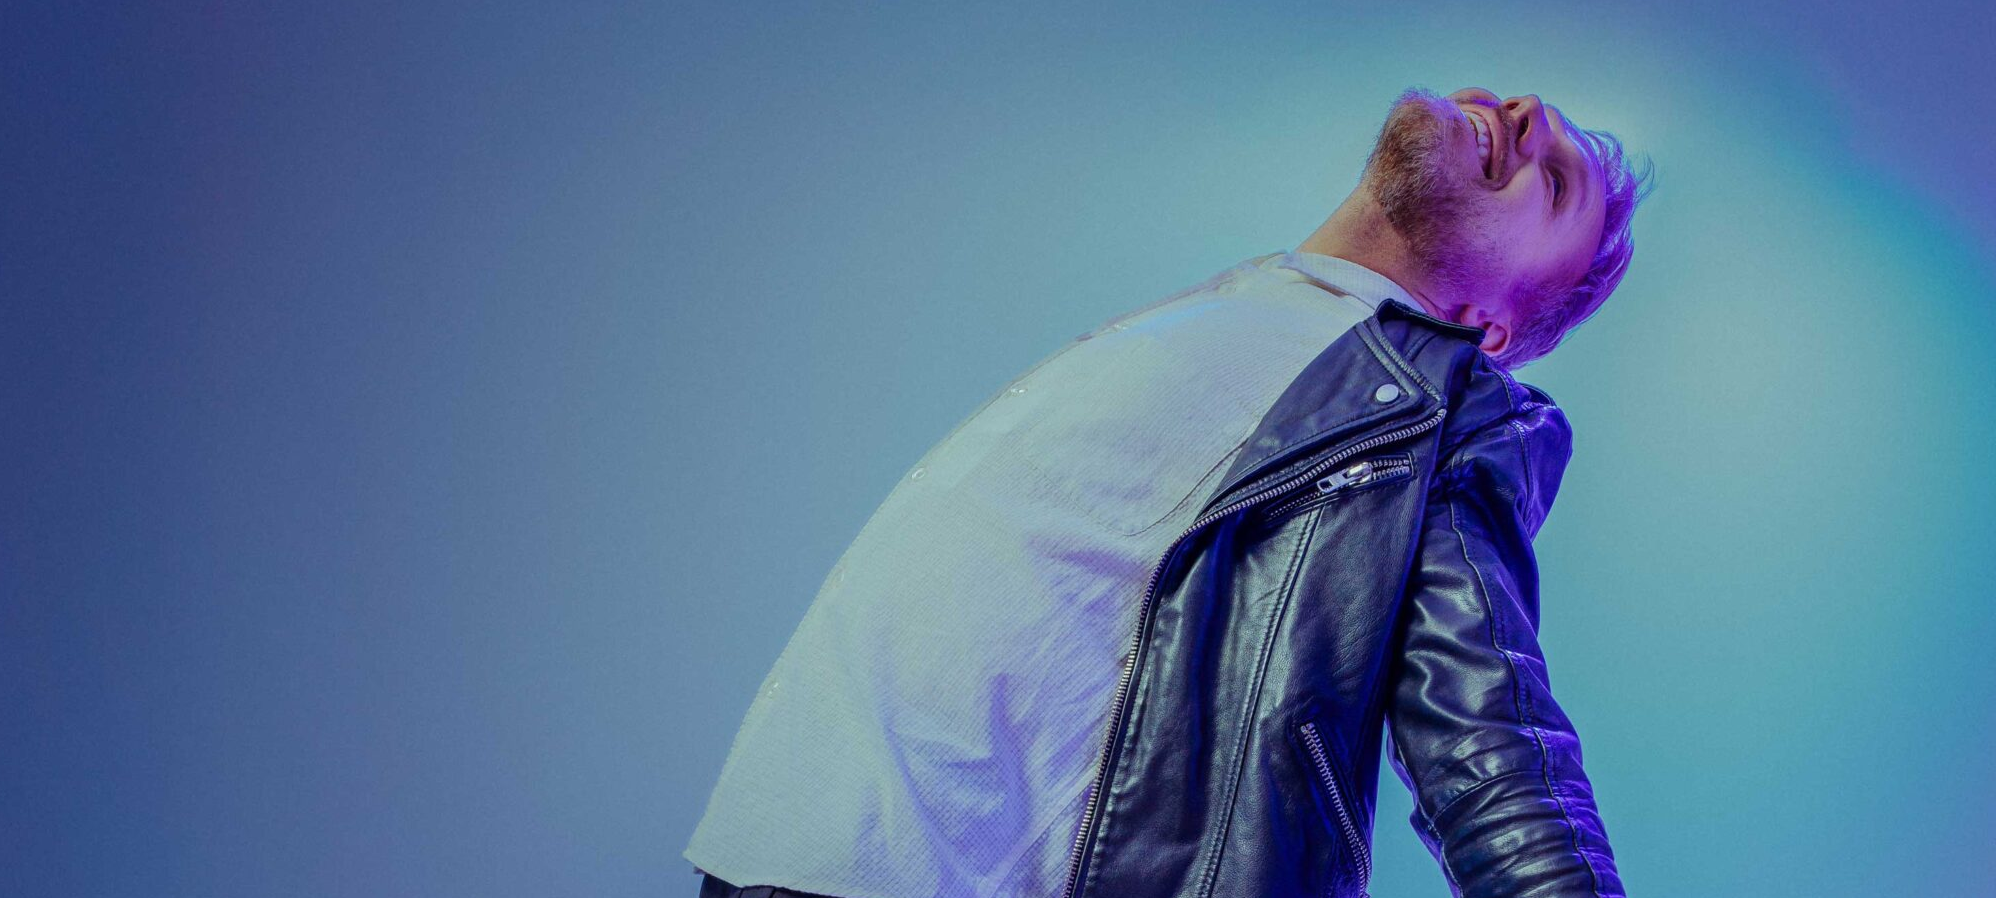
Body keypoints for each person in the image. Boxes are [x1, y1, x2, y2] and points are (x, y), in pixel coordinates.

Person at [685, 85, 1651, 898]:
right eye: (1532, 113)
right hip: (772, 851)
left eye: (1555, 184)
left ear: (1486, 330)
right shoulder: (1235, 308)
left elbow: (1494, 745)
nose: (1528, 112)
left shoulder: (1443, 404)